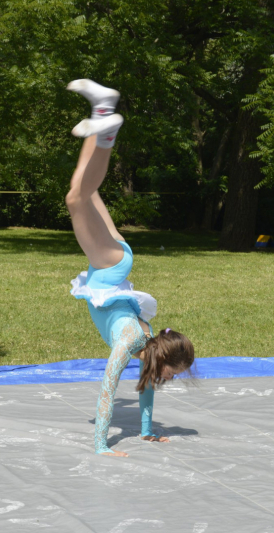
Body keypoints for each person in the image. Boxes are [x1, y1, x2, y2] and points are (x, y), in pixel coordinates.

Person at [64, 79, 195, 457]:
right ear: (164, 359)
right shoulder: (129, 344)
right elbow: (107, 388)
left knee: (83, 192)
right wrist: (101, 445)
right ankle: (107, 128)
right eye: (175, 373)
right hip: (109, 268)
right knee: (76, 198)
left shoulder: (148, 350)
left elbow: (147, 394)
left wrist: (145, 431)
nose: (172, 379)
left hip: (115, 260)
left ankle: (102, 113)